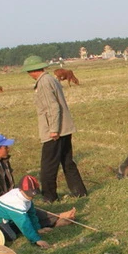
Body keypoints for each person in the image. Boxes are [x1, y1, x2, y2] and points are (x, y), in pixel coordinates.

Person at [22, 55, 87, 203]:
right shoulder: (51, 79)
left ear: (32, 71)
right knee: (67, 162)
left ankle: (49, 197)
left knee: (48, 165)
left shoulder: (43, 83)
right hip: (65, 127)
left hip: (55, 130)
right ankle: (79, 192)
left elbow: (53, 107)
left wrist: (53, 130)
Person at [0, 175, 76, 249]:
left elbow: (31, 213)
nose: (31, 197)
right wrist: (37, 240)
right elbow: (24, 223)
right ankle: (18, 229)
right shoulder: (16, 203)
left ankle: (39, 226)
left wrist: (37, 228)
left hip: (11, 215)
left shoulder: (25, 197)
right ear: (21, 190)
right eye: (29, 193)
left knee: (33, 216)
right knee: (12, 236)